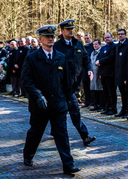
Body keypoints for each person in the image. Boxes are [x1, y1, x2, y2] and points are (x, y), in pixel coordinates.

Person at [22, 25, 80, 174]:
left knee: (62, 135)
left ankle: (68, 165)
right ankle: (28, 154)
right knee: (36, 133)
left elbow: (67, 83)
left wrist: (69, 100)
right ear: (40, 39)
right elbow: (27, 81)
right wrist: (37, 95)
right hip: (40, 106)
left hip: (58, 105)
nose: (50, 39)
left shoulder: (61, 57)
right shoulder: (32, 58)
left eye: (52, 37)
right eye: (47, 37)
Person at [54, 19, 96, 146]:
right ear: (62, 31)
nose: (71, 31)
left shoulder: (78, 44)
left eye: (72, 28)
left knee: (72, 112)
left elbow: (85, 58)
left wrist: (89, 69)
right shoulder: (57, 46)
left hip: (74, 85)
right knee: (68, 111)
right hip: (60, 86)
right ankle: (84, 136)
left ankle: (83, 136)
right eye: (68, 29)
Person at [96, 33, 117, 115]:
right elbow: (99, 56)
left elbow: (111, 57)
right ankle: (107, 107)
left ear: (112, 37)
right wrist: (98, 61)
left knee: (111, 92)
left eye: (108, 37)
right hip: (103, 73)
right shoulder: (103, 48)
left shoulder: (114, 47)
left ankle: (113, 108)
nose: (106, 39)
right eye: (105, 38)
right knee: (105, 92)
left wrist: (100, 61)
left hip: (111, 73)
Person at [115, 29, 128, 118]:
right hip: (119, 73)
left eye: (122, 34)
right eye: (119, 34)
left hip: (126, 74)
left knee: (127, 93)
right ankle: (123, 108)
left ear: (125, 35)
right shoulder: (117, 46)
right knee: (122, 93)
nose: (120, 36)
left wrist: (126, 76)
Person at [89, 39, 104, 111]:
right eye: (94, 44)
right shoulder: (92, 53)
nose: (95, 46)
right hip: (93, 73)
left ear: (100, 45)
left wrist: (100, 73)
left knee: (100, 89)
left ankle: (101, 105)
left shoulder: (101, 52)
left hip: (99, 73)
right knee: (93, 89)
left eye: (96, 44)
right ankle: (96, 104)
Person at [81, 33, 94, 108]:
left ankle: (92, 102)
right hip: (83, 70)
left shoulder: (93, 46)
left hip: (90, 69)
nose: (86, 40)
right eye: (85, 39)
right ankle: (87, 101)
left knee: (91, 86)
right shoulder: (83, 47)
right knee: (85, 86)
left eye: (87, 38)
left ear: (91, 39)